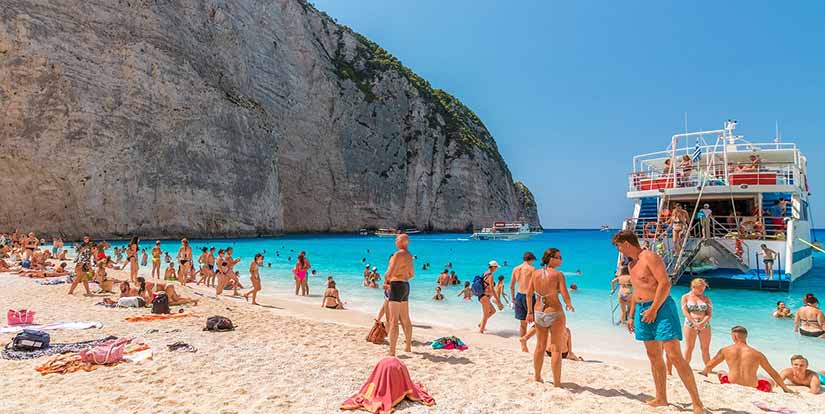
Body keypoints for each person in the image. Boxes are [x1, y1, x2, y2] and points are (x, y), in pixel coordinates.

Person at [612, 230, 703, 413]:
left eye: (619, 246)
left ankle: (697, 403)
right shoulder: (631, 265)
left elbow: (664, 284)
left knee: (674, 355)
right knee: (653, 356)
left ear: (627, 244)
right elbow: (636, 291)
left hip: (660, 308)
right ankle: (661, 397)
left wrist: (654, 309)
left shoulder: (649, 257)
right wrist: (630, 316)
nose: (619, 249)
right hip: (641, 311)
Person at [525, 248, 574, 387]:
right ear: (551, 258)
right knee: (556, 349)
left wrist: (529, 312)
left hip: (538, 313)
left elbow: (529, 294)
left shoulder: (535, 273)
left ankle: (537, 377)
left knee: (540, 346)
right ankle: (557, 383)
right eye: (559, 257)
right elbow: (564, 294)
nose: (561, 259)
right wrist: (569, 304)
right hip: (555, 312)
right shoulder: (558, 274)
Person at [700, 326, 793, 393]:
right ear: (745, 336)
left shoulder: (725, 350)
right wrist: (785, 388)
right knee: (770, 381)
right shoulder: (757, 353)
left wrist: (704, 373)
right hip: (754, 387)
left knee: (720, 372)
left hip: (730, 384)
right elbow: (772, 372)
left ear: (734, 336)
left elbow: (710, 365)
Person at [385, 234, 414, 356]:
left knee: (394, 320)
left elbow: (389, 272)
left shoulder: (397, 255)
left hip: (396, 284)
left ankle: (392, 350)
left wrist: (387, 281)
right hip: (406, 285)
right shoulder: (409, 255)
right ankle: (408, 346)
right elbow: (412, 274)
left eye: (397, 239)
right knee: (406, 318)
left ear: (402, 241)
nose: (395, 240)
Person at [679, 278, 713, 370]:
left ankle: (708, 368)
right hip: (690, 323)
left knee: (705, 348)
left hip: (704, 324)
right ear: (693, 287)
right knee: (689, 347)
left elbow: (709, 314)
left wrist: (702, 322)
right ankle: (684, 367)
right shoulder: (685, 297)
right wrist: (694, 322)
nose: (702, 291)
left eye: (703, 289)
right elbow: (685, 312)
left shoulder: (706, 298)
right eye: (700, 289)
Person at [511, 252, 537, 351]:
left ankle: (523, 346)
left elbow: (512, 285)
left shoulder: (515, 269)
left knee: (522, 323)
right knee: (539, 323)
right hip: (529, 296)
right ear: (531, 259)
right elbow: (536, 285)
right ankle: (526, 339)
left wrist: (513, 298)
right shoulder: (532, 269)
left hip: (519, 295)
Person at [478, 260, 504, 334]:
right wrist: (498, 301)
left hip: (482, 296)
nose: (496, 269)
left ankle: (481, 324)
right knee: (485, 315)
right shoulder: (490, 276)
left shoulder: (485, 273)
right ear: (493, 267)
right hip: (485, 297)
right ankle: (481, 331)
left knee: (493, 311)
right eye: (496, 267)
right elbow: (492, 289)